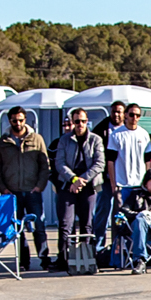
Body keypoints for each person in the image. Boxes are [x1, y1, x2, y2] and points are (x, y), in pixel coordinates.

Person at [0, 106, 53, 268]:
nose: (18, 123)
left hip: (33, 191)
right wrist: (3, 189)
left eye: (21, 120)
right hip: (11, 193)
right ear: (9, 120)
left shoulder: (36, 139)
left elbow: (45, 165)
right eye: (14, 120)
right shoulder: (2, 142)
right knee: (17, 230)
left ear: (25, 120)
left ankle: (44, 259)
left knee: (39, 226)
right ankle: (23, 261)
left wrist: (40, 186)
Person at [51, 108, 107, 271]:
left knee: (87, 224)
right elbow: (59, 163)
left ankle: (87, 258)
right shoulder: (64, 140)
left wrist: (83, 179)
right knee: (65, 224)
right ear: (72, 122)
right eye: (76, 121)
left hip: (88, 186)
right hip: (68, 185)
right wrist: (73, 179)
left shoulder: (96, 139)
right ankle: (64, 259)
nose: (80, 124)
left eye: (83, 121)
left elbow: (100, 163)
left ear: (87, 121)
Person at [105, 107, 151, 196]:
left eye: (137, 115)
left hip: (140, 183)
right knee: (123, 209)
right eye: (132, 115)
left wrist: (148, 181)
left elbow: (147, 160)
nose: (134, 117)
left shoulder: (144, 134)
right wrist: (113, 183)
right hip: (122, 184)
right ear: (125, 115)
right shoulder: (116, 134)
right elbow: (110, 161)